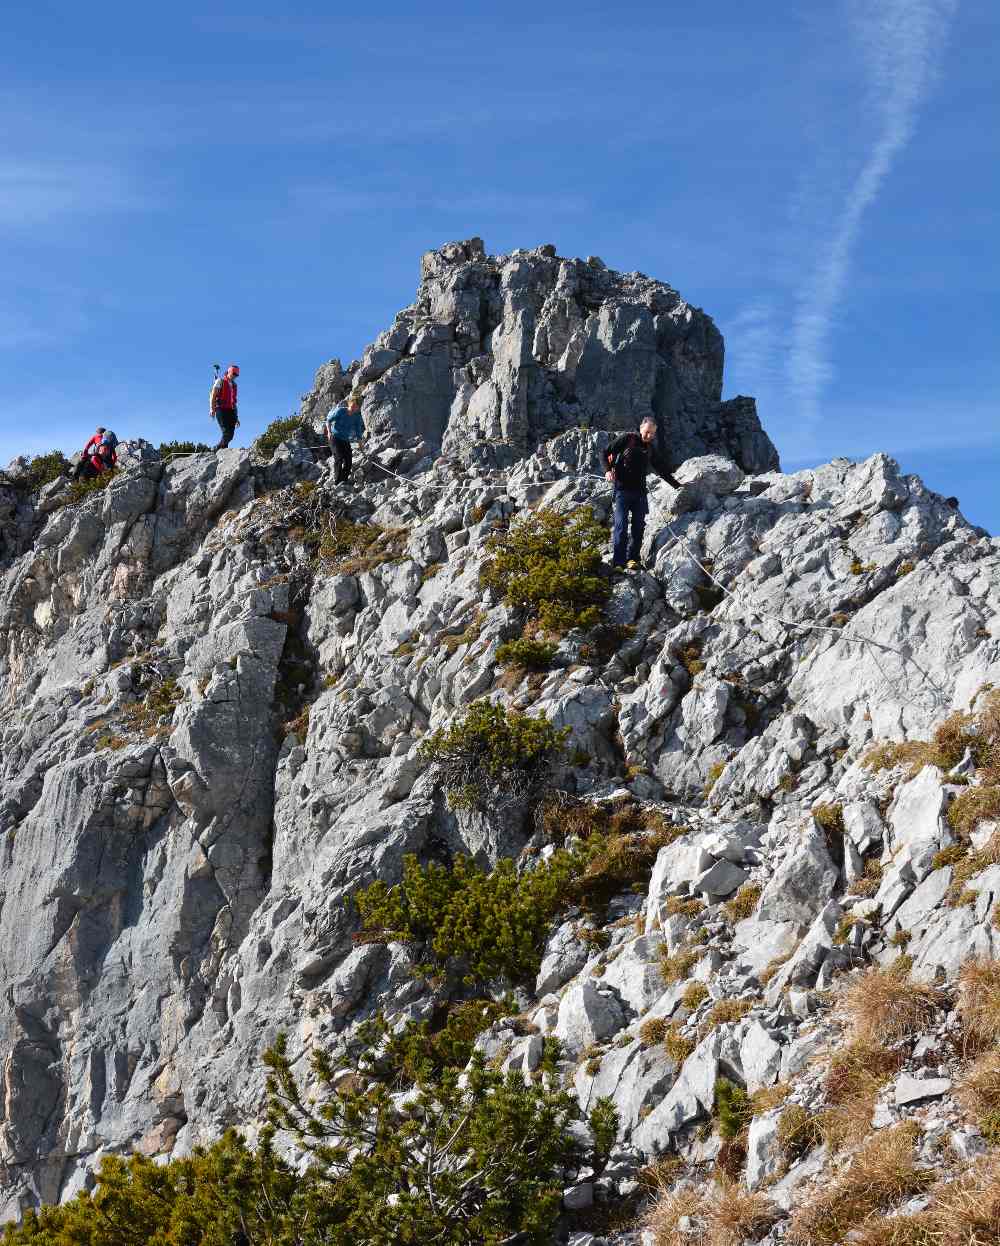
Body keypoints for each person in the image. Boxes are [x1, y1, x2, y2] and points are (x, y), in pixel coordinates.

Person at [604, 417, 681, 570]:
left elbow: (661, 469)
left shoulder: (650, 449)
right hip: (622, 490)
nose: (649, 436)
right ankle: (618, 562)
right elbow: (605, 452)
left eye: (652, 434)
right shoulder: (628, 439)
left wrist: (677, 486)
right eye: (647, 432)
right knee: (621, 525)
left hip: (640, 493)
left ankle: (632, 559)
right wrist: (607, 471)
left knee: (638, 526)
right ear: (641, 429)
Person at [325, 393, 365, 484]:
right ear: (350, 403)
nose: (354, 407)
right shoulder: (340, 411)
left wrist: (361, 446)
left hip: (345, 440)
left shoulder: (357, 417)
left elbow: (358, 433)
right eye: (353, 404)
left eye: (357, 406)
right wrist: (329, 432)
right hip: (334, 438)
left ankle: (344, 480)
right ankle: (337, 481)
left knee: (349, 461)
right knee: (339, 458)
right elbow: (328, 420)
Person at [210, 364, 240, 450]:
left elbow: (234, 402)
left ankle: (223, 450)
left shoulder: (234, 386)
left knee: (231, 434)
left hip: (231, 410)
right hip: (221, 409)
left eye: (237, 375)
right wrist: (212, 408)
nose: (235, 376)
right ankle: (216, 449)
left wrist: (236, 418)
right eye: (234, 373)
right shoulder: (220, 381)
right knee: (226, 432)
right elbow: (213, 395)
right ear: (229, 372)